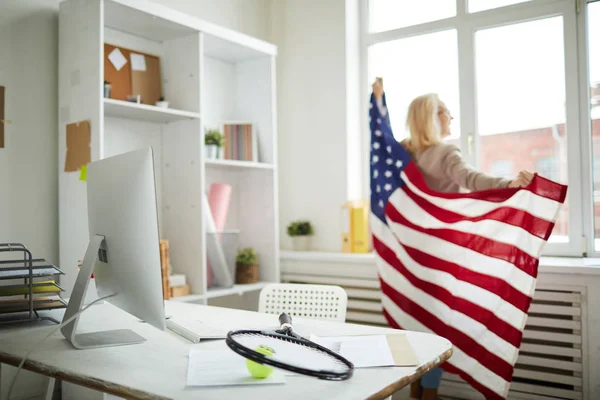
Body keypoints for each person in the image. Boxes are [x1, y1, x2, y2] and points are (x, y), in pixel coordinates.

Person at [372, 79, 533, 400]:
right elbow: (473, 179)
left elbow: (381, 139)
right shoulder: (445, 151)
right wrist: (510, 183)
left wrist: (378, 103)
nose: (451, 118)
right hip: (439, 257)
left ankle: (418, 390)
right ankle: (428, 394)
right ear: (432, 117)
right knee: (436, 327)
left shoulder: (404, 153)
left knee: (416, 323)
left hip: (410, 256)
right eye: (446, 111)